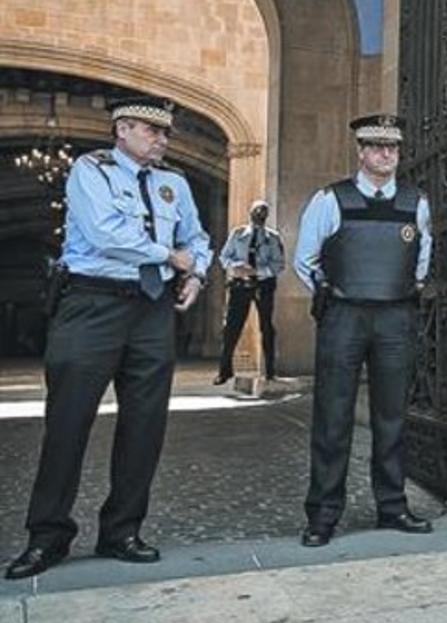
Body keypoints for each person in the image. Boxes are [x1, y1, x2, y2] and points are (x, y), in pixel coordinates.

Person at [5, 96, 211, 579]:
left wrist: (197, 271)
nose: (162, 140)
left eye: (165, 133)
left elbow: (198, 238)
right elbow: (104, 234)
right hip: (92, 305)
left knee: (145, 425)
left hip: (152, 311)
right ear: (122, 129)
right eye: (150, 130)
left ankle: (122, 530)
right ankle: (47, 535)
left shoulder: (173, 184)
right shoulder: (90, 171)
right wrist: (171, 256)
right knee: (68, 422)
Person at [293, 113, 433, 546]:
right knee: (332, 418)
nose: (385, 154)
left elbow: (422, 261)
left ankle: (392, 507)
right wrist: (336, 294)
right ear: (361, 151)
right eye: (376, 146)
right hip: (344, 315)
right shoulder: (331, 199)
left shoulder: (416, 202)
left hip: (395, 316)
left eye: (392, 147)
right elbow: (305, 260)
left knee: (392, 418)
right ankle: (323, 514)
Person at [213, 199, 284, 384]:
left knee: (267, 328)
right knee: (231, 328)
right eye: (256, 210)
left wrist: (257, 271)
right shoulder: (238, 234)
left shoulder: (272, 238)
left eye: (263, 211)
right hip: (240, 285)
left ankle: (270, 371)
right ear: (250, 212)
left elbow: (278, 264)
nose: (259, 214)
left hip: (263, 285)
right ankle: (224, 370)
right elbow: (224, 257)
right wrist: (237, 267)